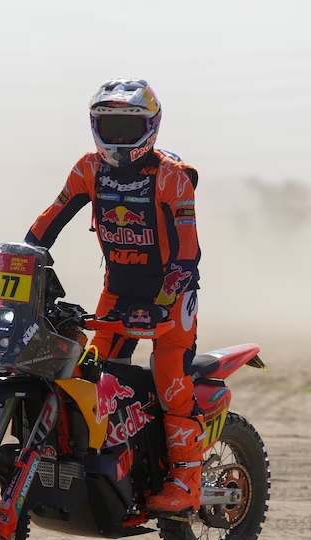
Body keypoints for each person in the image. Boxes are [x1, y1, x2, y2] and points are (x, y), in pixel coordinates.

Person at [25, 78, 203, 514]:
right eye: (111, 128)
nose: (119, 139)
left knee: (169, 377)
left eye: (129, 127)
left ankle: (186, 478)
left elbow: (187, 250)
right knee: (88, 374)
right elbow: (49, 221)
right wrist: (20, 263)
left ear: (152, 126)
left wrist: (165, 296)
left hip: (170, 298)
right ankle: (111, 465)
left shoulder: (171, 176)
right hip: (118, 293)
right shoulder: (88, 169)